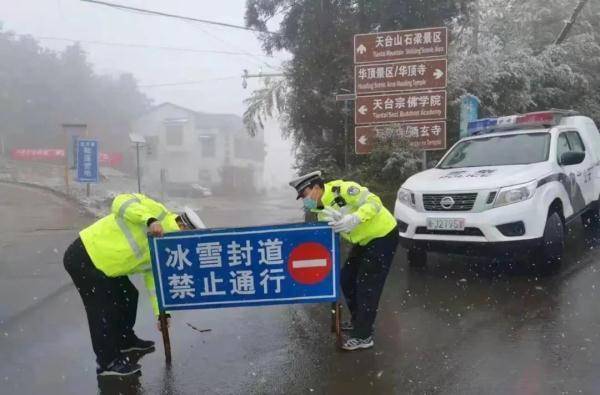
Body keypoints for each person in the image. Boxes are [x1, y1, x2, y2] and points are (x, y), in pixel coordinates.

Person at [63, 193, 204, 376]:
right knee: (102, 308)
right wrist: (149, 220)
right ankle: (107, 362)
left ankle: (125, 340)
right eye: (189, 237)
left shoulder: (166, 247)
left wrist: (161, 312)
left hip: (108, 267)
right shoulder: (157, 212)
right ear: (183, 226)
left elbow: (153, 279)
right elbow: (120, 202)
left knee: (129, 295)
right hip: (85, 255)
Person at [289, 171, 399, 351]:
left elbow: (374, 202)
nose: (305, 201)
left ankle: (364, 336)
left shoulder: (343, 189)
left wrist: (355, 218)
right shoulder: (321, 213)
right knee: (346, 279)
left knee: (367, 285)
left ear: (316, 187)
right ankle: (359, 320)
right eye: (302, 198)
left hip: (383, 235)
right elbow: (327, 240)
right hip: (364, 241)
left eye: (305, 195)